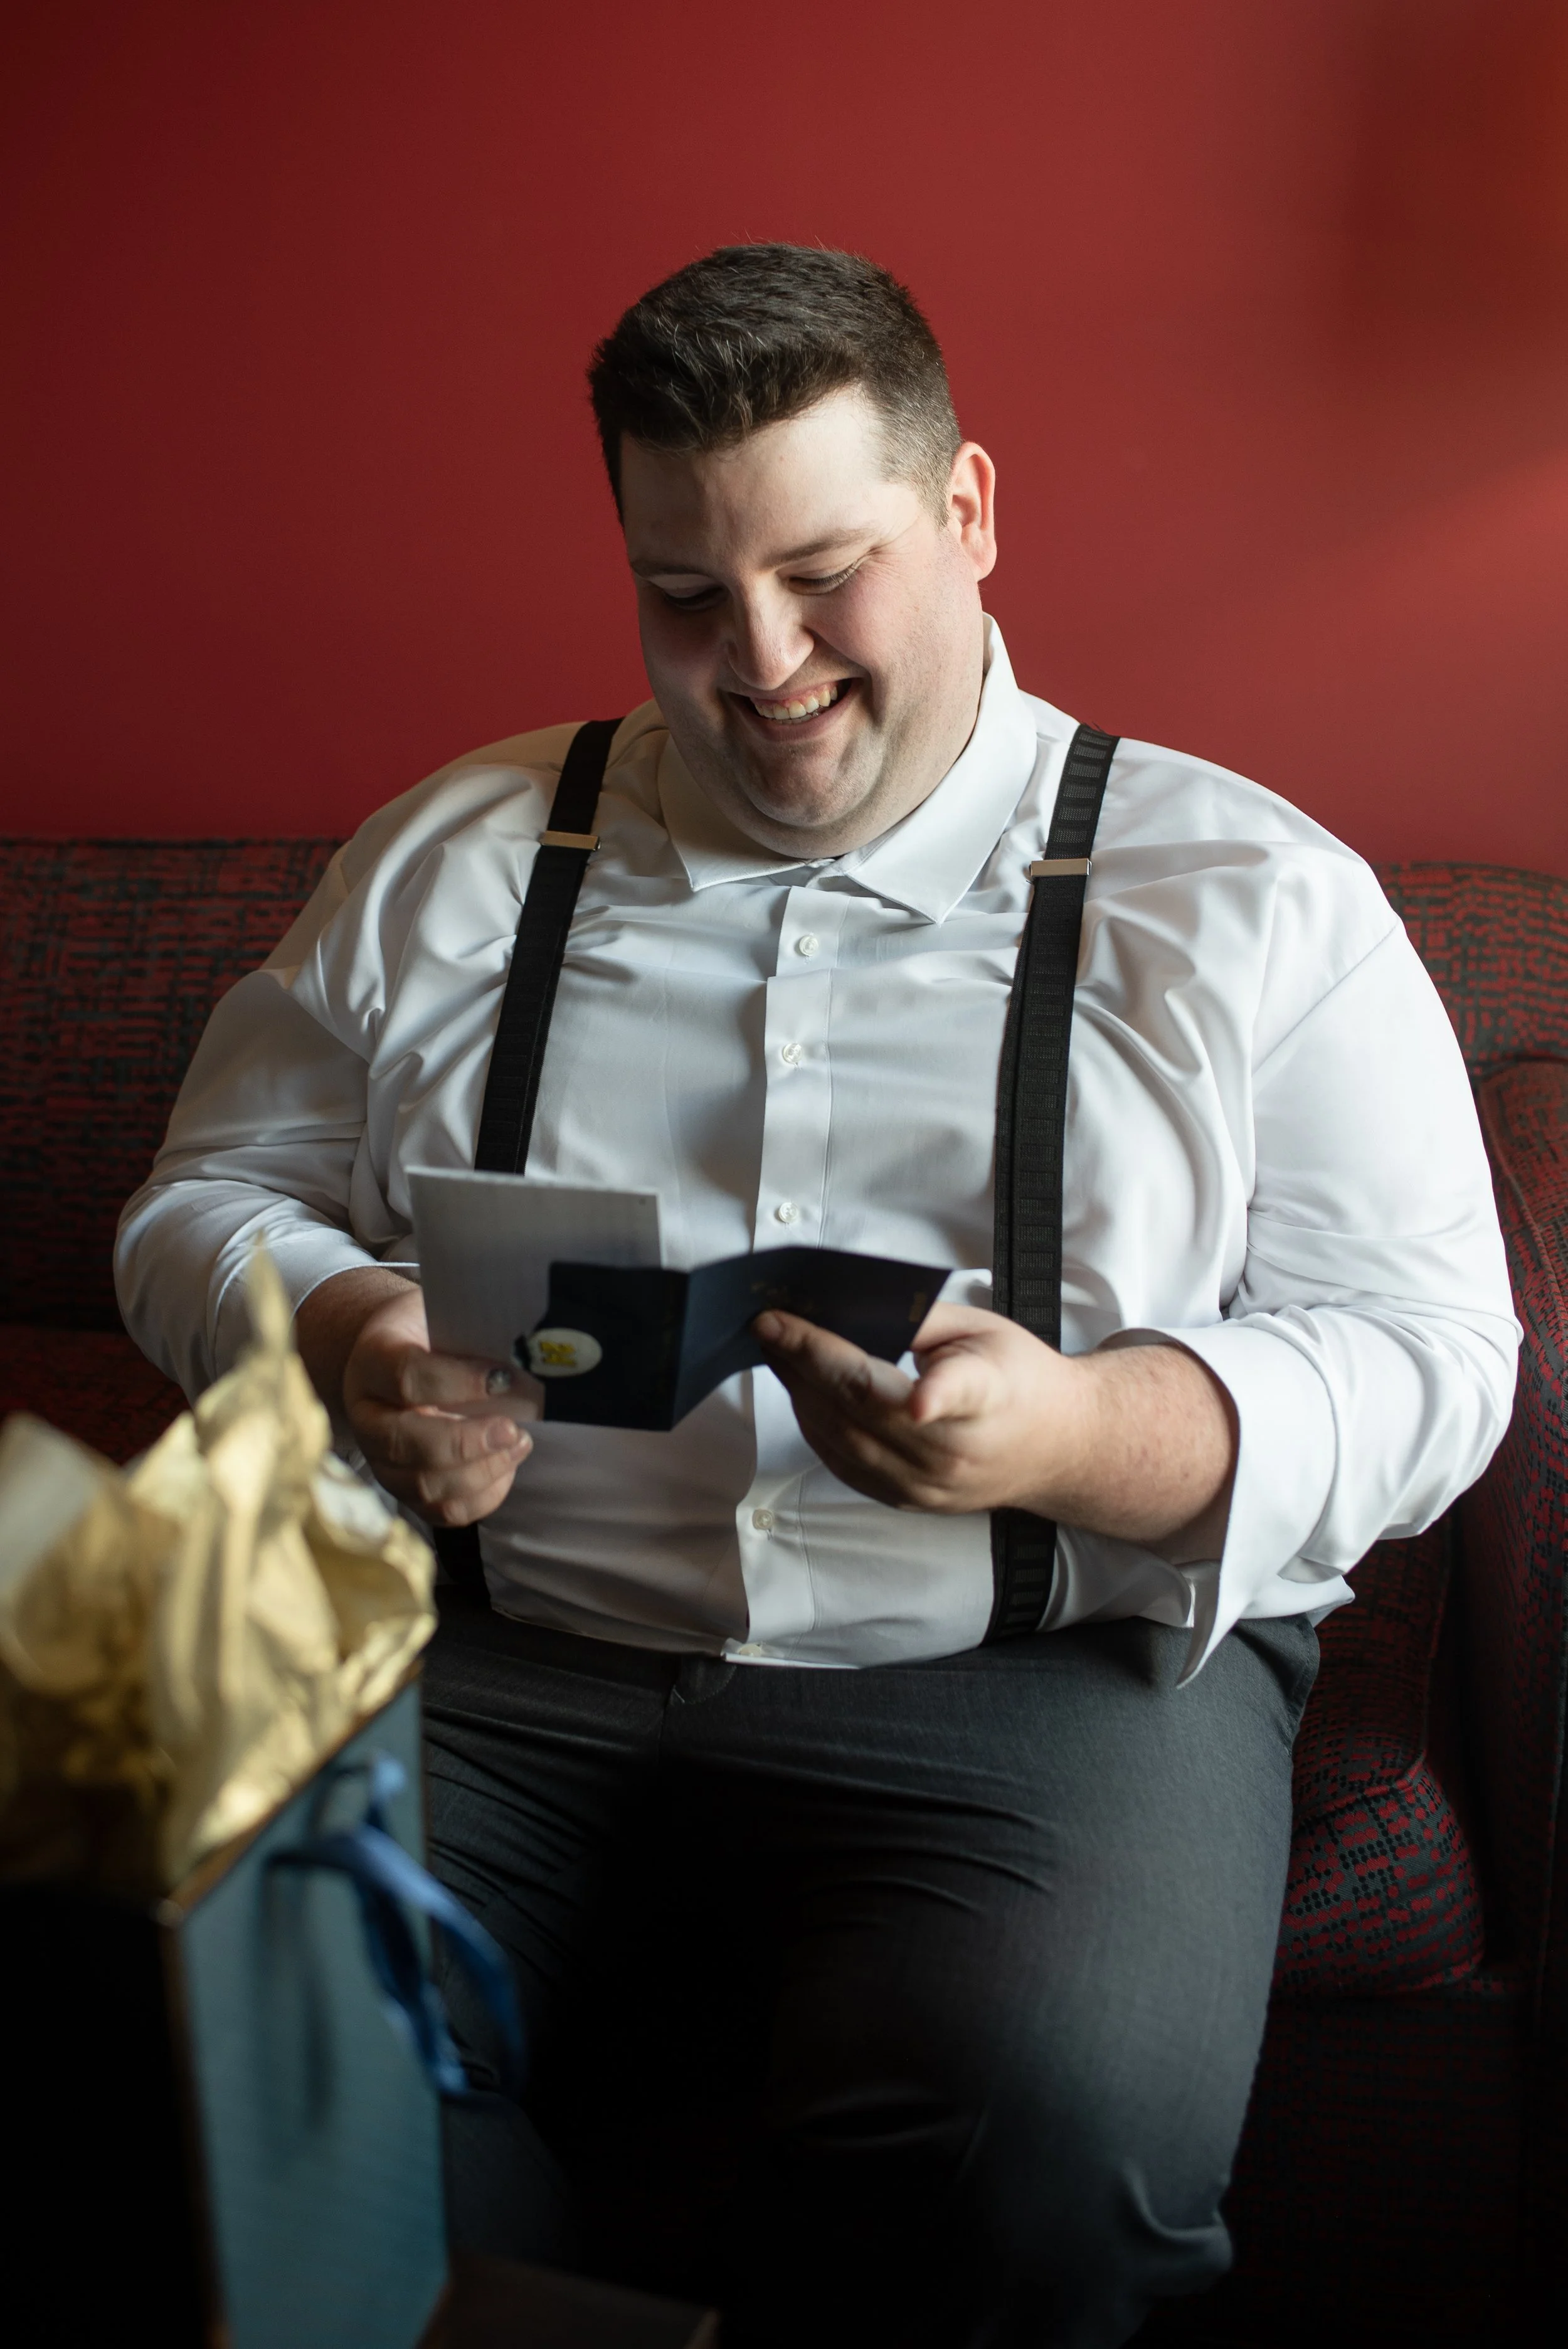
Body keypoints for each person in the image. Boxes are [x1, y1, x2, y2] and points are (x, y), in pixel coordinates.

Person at [116, 245, 1517, 2347]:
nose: (758, 662)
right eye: (683, 591)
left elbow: (1436, 1358)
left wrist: (1083, 1432)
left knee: (1045, 2147)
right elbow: (202, 1201)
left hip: (1031, 1678)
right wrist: (340, 1336)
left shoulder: (1255, 900)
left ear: (967, 511)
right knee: (223, 2075)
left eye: (821, 573)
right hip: (488, 1653)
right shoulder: (447, 861)